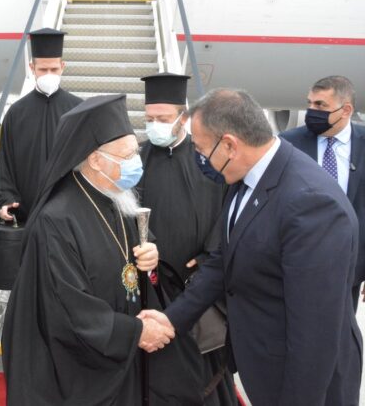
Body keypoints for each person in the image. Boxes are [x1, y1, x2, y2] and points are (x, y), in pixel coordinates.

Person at [147, 88, 362, 405]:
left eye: (202, 150)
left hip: (304, 384)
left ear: (230, 145)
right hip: (265, 365)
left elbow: (314, 331)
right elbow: (223, 260)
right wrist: (171, 319)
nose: (200, 159)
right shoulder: (248, 176)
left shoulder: (310, 203)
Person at [2, 94, 175, 406]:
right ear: (95, 160)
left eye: (135, 152)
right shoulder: (56, 220)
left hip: (121, 357)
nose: (136, 162)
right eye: (127, 155)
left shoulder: (117, 199)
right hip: (80, 373)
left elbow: (131, 271)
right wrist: (135, 332)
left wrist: (151, 260)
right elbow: (69, 309)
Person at [137, 73, 235, 405]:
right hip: (151, 283)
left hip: (198, 283)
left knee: (202, 370)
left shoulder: (209, 158)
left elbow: (228, 210)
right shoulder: (138, 158)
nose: (155, 125)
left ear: (183, 117)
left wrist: (210, 255)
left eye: (163, 118)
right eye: (149, 118)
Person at [281, 76, 365, 310]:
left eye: (320, 105)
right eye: (309, 103)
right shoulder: (288, 144)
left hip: (349, 265)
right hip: (296, 261)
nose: (311, 111)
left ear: (346, 110)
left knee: (341, 329)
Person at [0, 27, 82, 223]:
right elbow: (5, 165)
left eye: (54, 69)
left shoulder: (79, 110)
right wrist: (6, 200)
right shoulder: (16, 113)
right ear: (32, 68)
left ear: (63, 67)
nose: (49, 74)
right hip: (28, 216)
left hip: (70, 216)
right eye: (43, 70)